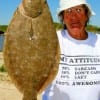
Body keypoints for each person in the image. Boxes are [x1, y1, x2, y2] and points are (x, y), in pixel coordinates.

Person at [42, 0, 100, 100]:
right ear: (63, 18)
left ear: (86, 15)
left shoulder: (98, 41)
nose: (74, 16)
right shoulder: (51, 40)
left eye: (78, 10)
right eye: (68, 11)